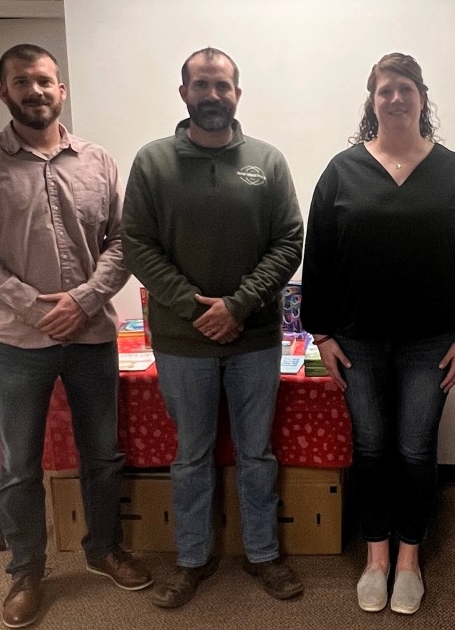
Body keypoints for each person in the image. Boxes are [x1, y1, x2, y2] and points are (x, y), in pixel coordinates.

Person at [0, 43, 152, 628]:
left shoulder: (99, 161)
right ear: (3, 92)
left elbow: (123, 242)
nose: (34, 90)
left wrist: (85, 299)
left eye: (44, 81)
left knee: (103, 456)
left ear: (61, 89)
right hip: (17, 341)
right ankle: (26, 570)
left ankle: (104, 550)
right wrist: (36, 309)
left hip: (92, 337)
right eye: (21, 82)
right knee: (18, 464)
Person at [301, 52, 455, 615]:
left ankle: (409, 557)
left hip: (430, 343)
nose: (396, 98)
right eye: (385, 90)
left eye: (405, 88)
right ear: (372, 101)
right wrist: (322, 335)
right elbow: (321, 258)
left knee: (414, 450)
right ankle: (376, 555)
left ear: (422, 98)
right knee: (371, 447)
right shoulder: (342, 170)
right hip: (356, 340)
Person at [121, 47, 304, 609]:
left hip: (252, 338)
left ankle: (263, 554)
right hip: (182, 342)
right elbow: (136, 244)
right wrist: (194, 307)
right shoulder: (152, 162)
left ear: (237, 94)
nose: (212, 95)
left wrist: (239, 305)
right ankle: (192, 560)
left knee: (256, 453)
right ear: (184, 94)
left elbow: (289, 241)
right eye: (201, 85)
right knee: (192, 455)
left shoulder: (267, 162)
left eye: (222, 86)